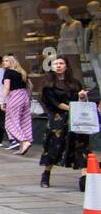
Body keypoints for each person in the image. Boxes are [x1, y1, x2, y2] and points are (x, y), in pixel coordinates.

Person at [38, 56, 90, 190]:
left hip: (76, 118)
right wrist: (73, 108)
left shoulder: (75, 83)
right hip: (58, 119)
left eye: (61, 63)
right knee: (54, 146)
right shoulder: (48, 84)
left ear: (66, 66)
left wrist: (81, 96)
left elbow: (80, 98)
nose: (59, 66)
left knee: (81, 145)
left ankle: (84, 180)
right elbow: (56, 103)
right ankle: (46, 173)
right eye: (56, 64)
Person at [2, 55, 34, 155]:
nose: (4, 63)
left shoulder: (8, 72)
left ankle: (24, 141)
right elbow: (30, 86)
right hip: (24, 96)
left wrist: (2, 101)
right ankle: (22, 147)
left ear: (12, 62)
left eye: (6, 61)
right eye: (3, 61)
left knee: (11, 122)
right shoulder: (22, 72)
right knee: (24, 121)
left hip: (14, 96)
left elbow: (6, 88)